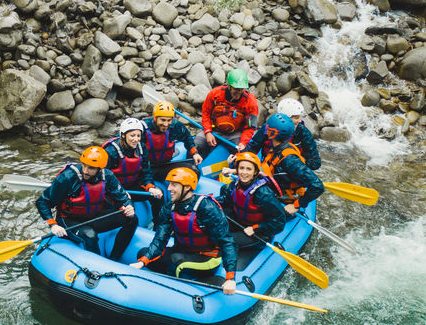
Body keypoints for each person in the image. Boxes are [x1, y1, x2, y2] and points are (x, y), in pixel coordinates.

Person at [131, 167, 237, 295]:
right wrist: (144, 260)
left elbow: (226, 241)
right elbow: (160, 238)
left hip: (208, 257)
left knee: (177, 263)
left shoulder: (207, 207)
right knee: (142, 253)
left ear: (187, 187)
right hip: (183, 250)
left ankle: (171, 294)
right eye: (169, 184)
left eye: (174, 185)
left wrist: (230, 277)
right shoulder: (169, 207)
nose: (169, 188)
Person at [36, 145, 139, 261]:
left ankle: (114, 258)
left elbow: (123, 198)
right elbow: (42, 201)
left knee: (132, 218)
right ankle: (98, 266)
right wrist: (53, 224)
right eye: (84, 165)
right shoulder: (67, 177)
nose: (85, 170)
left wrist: (129, 206)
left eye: (91, 168)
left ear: (100, 169)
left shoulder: (108, 176)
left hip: (93, 216)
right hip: (69, 220)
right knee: (90, 235)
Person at [244, 113, 324, 215]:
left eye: (267, 129)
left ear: (272, 134)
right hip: (274, 192)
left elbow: (318, 186)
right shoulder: (277, 148)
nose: (265, 130)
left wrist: (297, 205)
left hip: (285, 202)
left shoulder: (290, 160)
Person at [219, 151, 289, 249]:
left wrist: (256, 228)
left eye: (249, 169)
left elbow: (279, 222)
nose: (244, 173)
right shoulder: (236, 183)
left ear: (255, 172)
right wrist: (210, 202)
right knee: (213, 227)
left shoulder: (263, 194)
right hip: (239, 221)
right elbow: (226, 201)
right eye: (241, 168)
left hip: (258, 232)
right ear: (237, 170)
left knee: (224, 242)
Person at [104, 118, 164, 219]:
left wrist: (150, 187)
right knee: (129, 211)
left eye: (138, 135)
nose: (136, 139)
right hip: (114, 190)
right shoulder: (111, 151)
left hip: (132, 186)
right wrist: (120, 193)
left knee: (157, 196)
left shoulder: (141, 148)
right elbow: (103, 177)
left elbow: (146, 172)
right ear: (123, 135)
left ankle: (158, 226)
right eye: (132, 135)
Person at [194, 68, 259, 157]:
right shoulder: (215, 94)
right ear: (229, 86)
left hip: (235, 134)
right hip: (214, 130)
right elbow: (206, 113)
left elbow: (250, 127)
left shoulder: (251, 102)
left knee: (242, 154)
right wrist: (208, 132)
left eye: (241, 89)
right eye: (236, 89)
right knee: (197, 144)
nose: (239, 92)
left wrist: (243, 143)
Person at [244, 98, 321, 170]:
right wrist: (242, 160)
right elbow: (252, 148)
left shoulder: (303, 132)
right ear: (286, 118)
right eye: (296, 118)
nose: (300, 121)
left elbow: (315, 162)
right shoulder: (268, 128)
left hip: (293, 171)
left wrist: (296, 167)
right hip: (269, 167)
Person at [142, 100, 200, 183]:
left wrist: (195, 153)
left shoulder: (175, 125)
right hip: (145, 169)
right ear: (155, 118)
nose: (166, 124)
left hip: (164, 165)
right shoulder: (143, 127)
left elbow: (187, 138)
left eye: (169, 120)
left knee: (194, 171)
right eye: (162, 120)